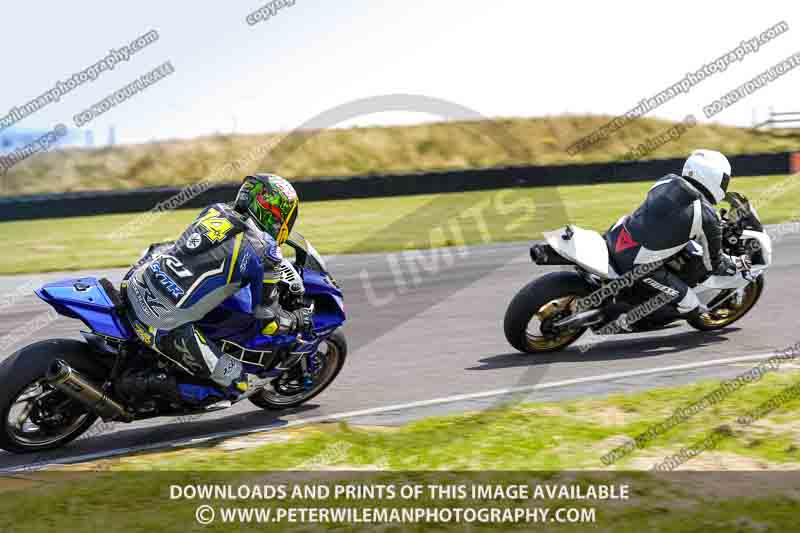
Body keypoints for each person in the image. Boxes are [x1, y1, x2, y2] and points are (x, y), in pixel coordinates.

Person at [119, 173, 312, 403]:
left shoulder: (216, 210)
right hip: (163, 320)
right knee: (237, 383)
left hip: (136, 283)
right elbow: (268, 323)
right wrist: (298, 319)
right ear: (275, 214)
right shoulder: (265, 252)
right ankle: (143, 387)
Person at [604, 149, 752, 322]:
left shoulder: (667, 180)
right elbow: (714, 264)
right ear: (713, 177)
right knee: (691, 304)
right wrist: (736, 263)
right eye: (724, 180)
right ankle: (629, 320)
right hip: (637, 263)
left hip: (617, 234)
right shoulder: (705, 215)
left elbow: (669, 220)